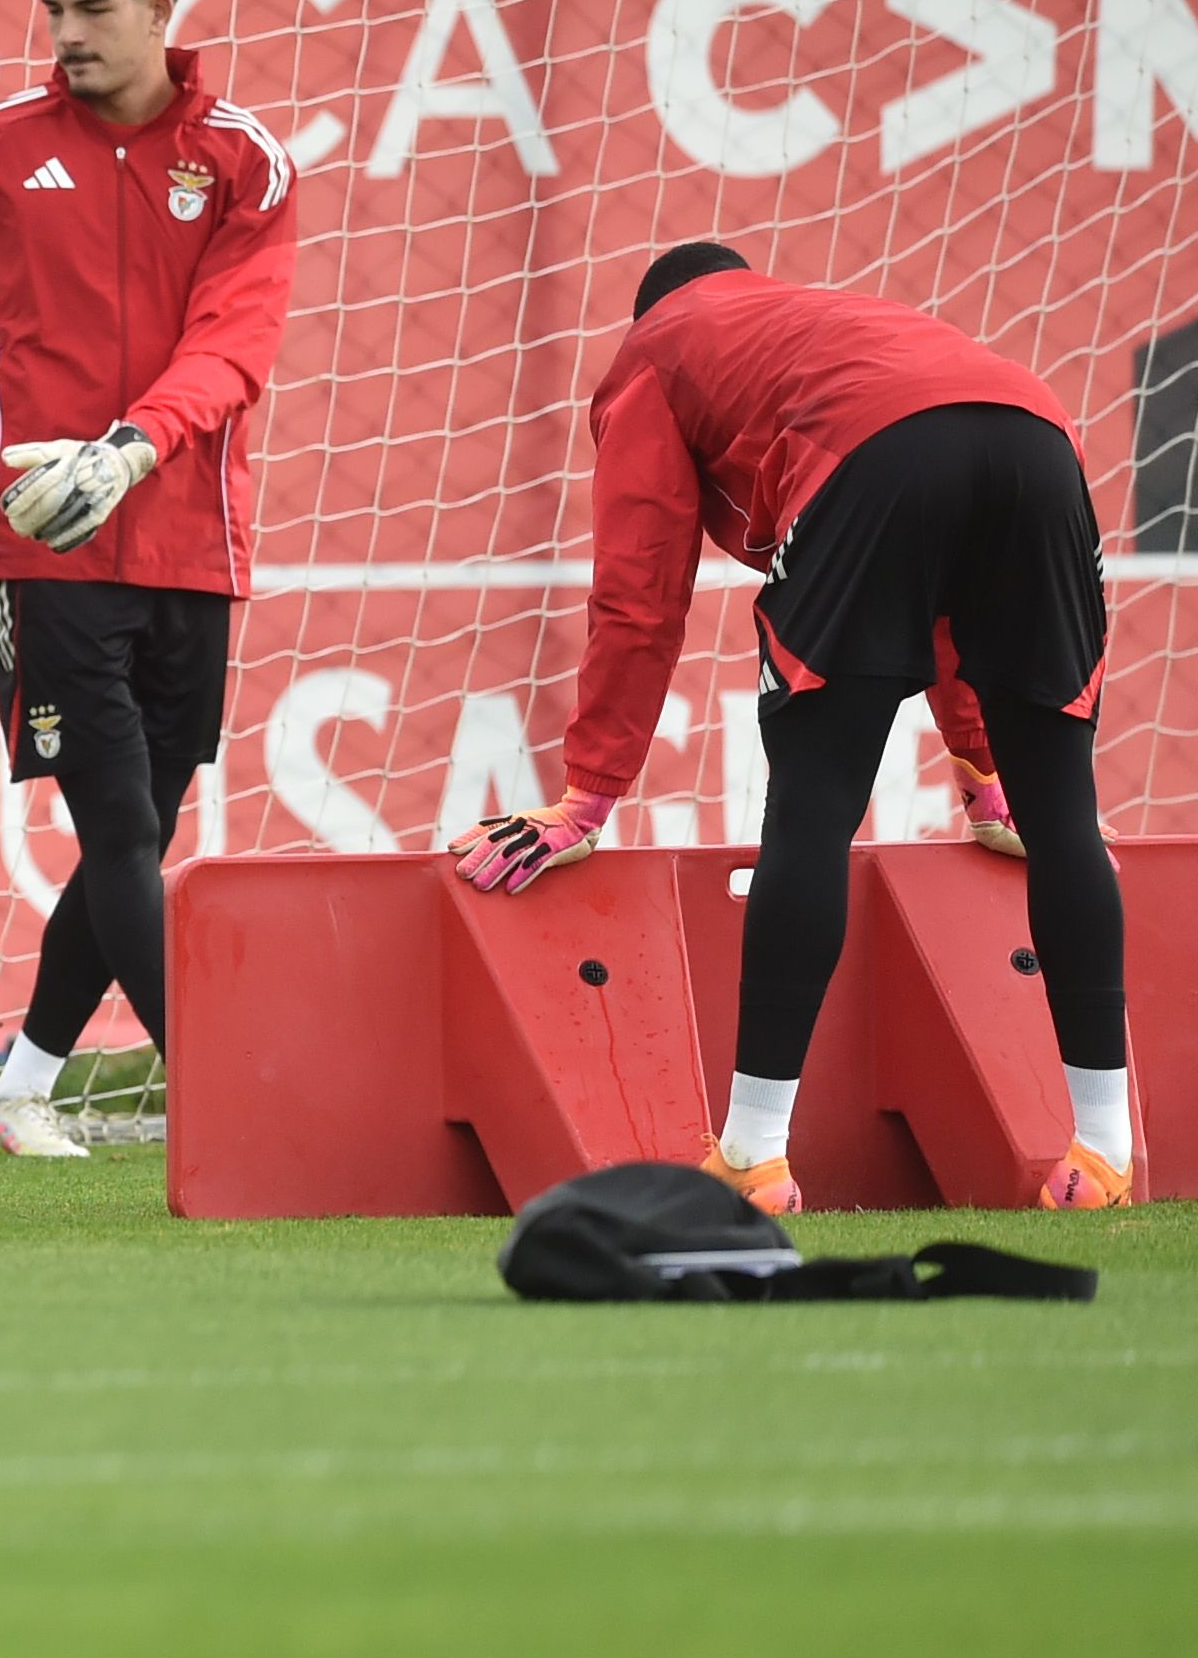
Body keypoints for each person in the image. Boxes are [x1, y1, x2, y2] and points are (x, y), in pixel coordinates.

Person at [448, 244, 1135, 1213]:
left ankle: (753, 1157)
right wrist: (984, 776)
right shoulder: (821, 322)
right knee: (1063, 819)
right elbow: (947, 596)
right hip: (1034, 435)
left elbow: (638, 596)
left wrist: (586, 796)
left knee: (810, 817)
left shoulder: (653, 348)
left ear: (653, 306)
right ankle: (1104, 1154)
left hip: (871, 458)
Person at [0, 0, 303, 1160]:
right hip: (36, 539)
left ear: (161, 11)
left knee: (139, 831)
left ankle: (16, 1089)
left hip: (188, 535)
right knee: (114, 827)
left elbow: (235, 343)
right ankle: (225, 1105)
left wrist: (134, 448)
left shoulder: (244, 158)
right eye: (52, 10)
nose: (66, 34)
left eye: (93, 10)